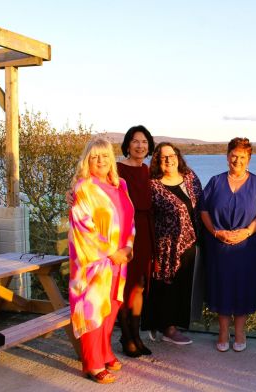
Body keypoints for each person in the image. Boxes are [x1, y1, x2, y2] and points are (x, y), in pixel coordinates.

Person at [68, 137, 135, 384]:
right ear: (87, 160)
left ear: (112, 159)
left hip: (120, 259)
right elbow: (82, 227)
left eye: (105, 156)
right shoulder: (83, 188)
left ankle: (105, 352)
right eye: (95, 156)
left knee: (111, 307)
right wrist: (111, 253)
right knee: (93, 309)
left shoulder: (121, 185)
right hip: (94, 262)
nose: (100, 161)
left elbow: (130, 219)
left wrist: (128, 246)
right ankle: (92, 363)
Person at [200, 137, 256, 352]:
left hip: (247, 247)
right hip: (219, 246)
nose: (237, 160)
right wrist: (215, 232)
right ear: (227, 157)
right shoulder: (215, 181)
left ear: (249, 159)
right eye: (234, 156)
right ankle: (223, 331)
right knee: (221, 287)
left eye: (242, 157)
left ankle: (240, 332)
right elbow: (203, 209)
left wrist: (248, 231)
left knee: (243, 288)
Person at [141, 142, 203, 345]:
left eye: (172, 155)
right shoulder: (152, 185)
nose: (169, 159)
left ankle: (164, 324)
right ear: (157, 161)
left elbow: (203, 204)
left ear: (178, 156)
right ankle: (168, 328)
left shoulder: (191, 178)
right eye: (163, 157)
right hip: (164, 246)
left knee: (183, 285)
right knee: (166, 287)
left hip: (189, 243)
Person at [116, 126, 156, 357]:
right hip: (126, 231)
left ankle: (136, 335)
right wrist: (72, 193)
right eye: (135, 141)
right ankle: (126, 337)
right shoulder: (117, 169)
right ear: (127, 145)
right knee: (125, 284)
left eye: (144, 142)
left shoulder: (147, 170)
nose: (140, 145)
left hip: (145, 230)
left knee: (140, 284)